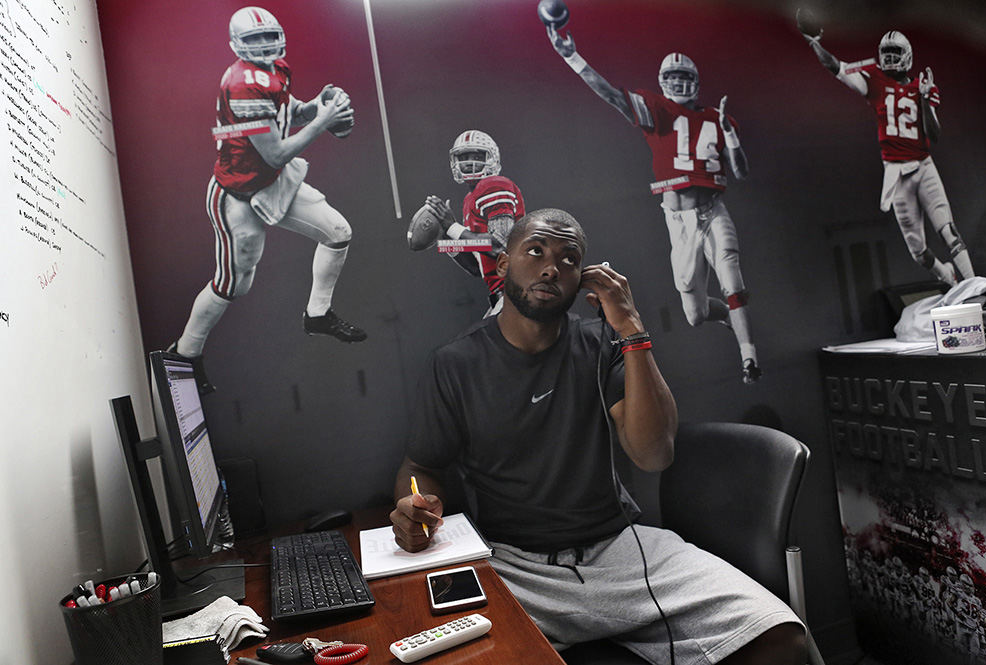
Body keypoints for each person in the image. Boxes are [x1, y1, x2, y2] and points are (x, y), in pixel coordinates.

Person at [390, 209, 806, 664]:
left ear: (583, 279)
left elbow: (654, 454)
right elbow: (422, 467)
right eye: (535, 251)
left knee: (781, 637)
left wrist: (631, 329)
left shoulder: (601, 343)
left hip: (620, 553)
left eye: (570, 260)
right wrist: (416, 510)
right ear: (504, 264)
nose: (552, 267)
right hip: (514, 566)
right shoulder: (455, 362)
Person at [547, 26, 761, 385]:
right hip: (678, 219)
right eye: (672, 77)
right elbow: (612, 96)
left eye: (684, 77)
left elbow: (741, 171)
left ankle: (749, 356)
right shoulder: (657, 110)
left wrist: (732, 134)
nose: (678, 83)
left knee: (732, 280)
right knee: (695, 313)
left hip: (713, 211)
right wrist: (573, 56)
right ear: (663, 81)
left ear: (695, 81)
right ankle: (726, 315)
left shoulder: (715, 118)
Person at [171, 6, 366, 394]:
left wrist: (315, 106)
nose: (264, 45)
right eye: (254, 39)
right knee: (233, 285)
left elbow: (286, 110)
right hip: (238, 196)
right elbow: (275, 152)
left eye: (267, 36)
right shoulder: (241, 83)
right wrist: (323, 122)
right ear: (236, 45)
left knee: (338, 232)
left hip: (273, 181)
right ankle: (185, 353)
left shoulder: (277, 68)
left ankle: (318, 314)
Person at [796, 11, 974, 285]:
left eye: (895, 53)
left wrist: (924, 98)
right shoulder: (874, 80)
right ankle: (949, 277)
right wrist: (814, 43)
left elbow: (934, 134)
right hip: (896, 175)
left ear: (908, 56)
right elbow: (835, 67)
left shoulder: (921, 87)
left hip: (924, 167)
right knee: (918, 253)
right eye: (886, 53)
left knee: (948, 231)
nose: (890, 58)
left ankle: (977, 286)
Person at [416, 130, 525, 317]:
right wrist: (446, 238)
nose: (469, 162)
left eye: (476, 155)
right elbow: (477, 268)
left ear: (492, 158)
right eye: (463, 157)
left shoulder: (495, 184)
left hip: (518, 293)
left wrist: (452, 227)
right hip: (502, 297)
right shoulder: (470, 199)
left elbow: (501, 247)